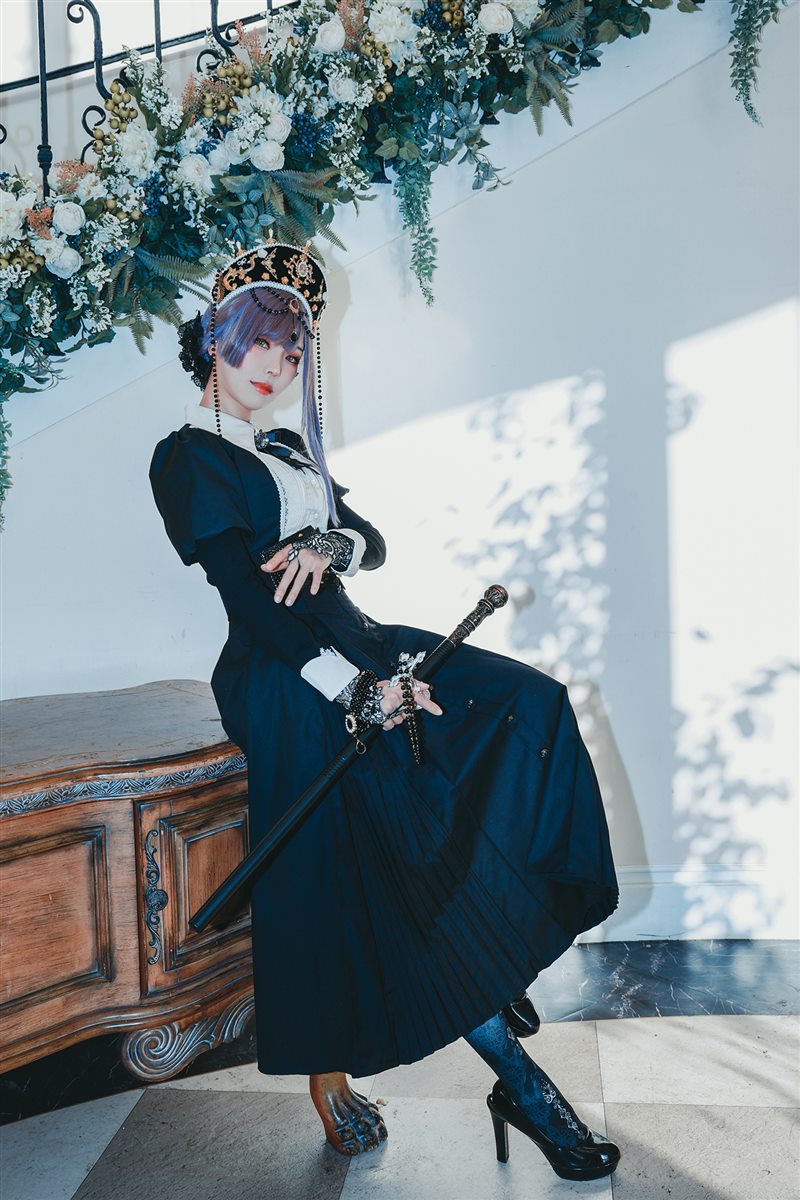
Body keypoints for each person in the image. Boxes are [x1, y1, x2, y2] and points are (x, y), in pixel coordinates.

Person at [149, 237, 621, 1180]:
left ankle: (492, 953)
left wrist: (331, 543)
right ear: (217, 341)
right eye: (261, 342)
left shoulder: (288, 447)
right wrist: (358, 692)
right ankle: (522, 1085)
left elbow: (371, 538)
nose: (277, 365)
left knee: (525, 703)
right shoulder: (187, 457)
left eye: (294, 351)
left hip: (361, 636)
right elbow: (252, 605)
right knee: (387, 852)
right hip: (287, 675)